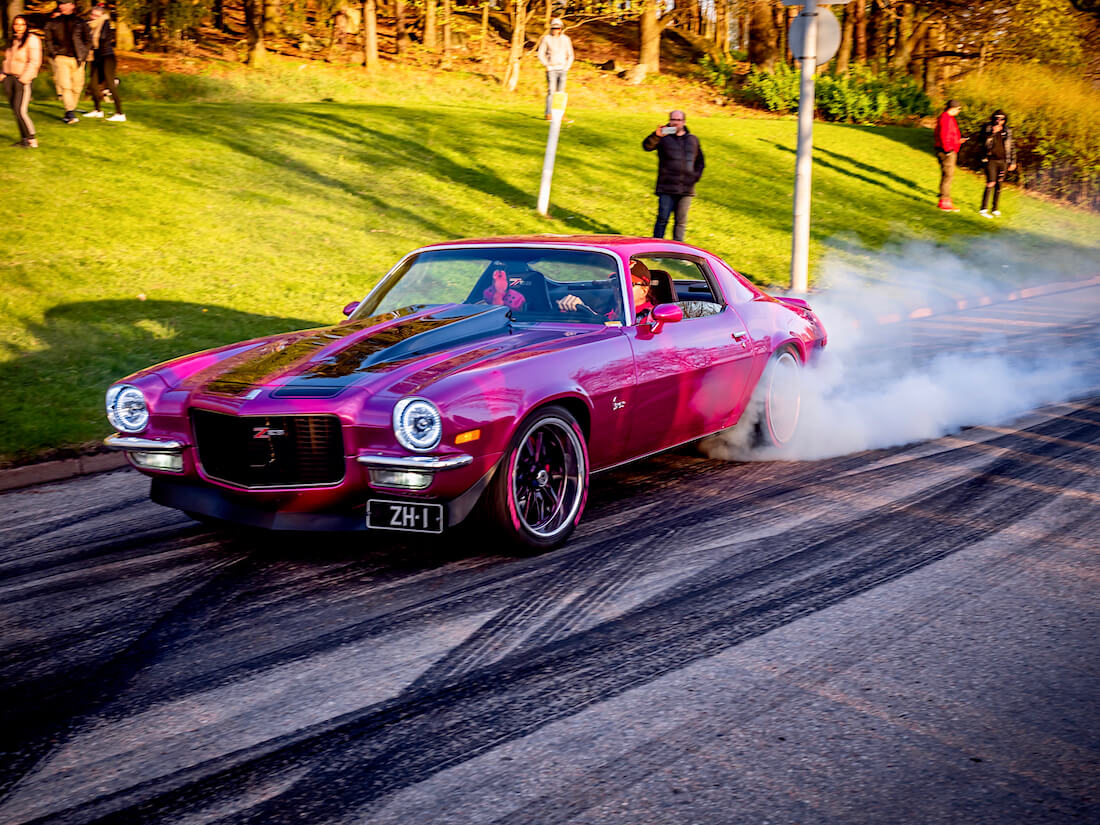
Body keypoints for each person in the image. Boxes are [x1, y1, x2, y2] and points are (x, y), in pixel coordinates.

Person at [642, 110, 704, 242]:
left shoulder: (693, 139)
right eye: (673, 119)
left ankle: (678, 252)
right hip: (667, 187)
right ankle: (656, 249)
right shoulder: (664, 137)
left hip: (686, 189)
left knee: (681, 222)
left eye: (678, 120)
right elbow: (647, 146)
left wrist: (695, 177)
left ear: (684, 122)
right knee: (662, 219)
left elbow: (700, 162)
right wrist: (656, 135)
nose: (675, 122)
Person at [556, 261, 655, 323]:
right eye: (616, 283)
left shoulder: (650, 317)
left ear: (644, 290)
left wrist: (591, 317)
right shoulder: (613, 309)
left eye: (628, 284)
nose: (618, 288)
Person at [44, 0, 91, 124]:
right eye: (61, 3)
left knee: (77, 87)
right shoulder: (53, 23)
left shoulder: (81, 22)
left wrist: (84, 53)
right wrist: (54, 53)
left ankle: (69, 112)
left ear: (72, 5)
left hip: (78, 59)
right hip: (61, 58)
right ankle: (70, 111)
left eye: (66, 3)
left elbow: (88, 40)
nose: (62, 6)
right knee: (65, 86)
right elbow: (48, 40)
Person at [2, 15, 42, 148]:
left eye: (22, 24)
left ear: (26, 26)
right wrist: (3, 73)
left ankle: (32, 139)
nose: (18, 27)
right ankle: (24, 139)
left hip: (22, 80)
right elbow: (7, 60)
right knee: (15, 110)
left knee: (20, 110)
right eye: (16, 24)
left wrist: (23, 79)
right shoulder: (13, 40)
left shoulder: (32, 40)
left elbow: (34, 62)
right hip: (9, 79)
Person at [84, 4, 124, 121]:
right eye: (92, 14)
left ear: (101, 15)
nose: (93, 17)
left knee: (111, 85)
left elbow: (102, 38)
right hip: (96, 57)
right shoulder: (89, 26)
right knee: (93, 84)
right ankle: (97, 110)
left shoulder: (105, 23)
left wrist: (89, 38)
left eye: (97, 15)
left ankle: (120, 113)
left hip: (107, 57)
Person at [978, 110, 1016, 219]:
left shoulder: (1007, 130)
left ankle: (995, 208)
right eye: (997, 119)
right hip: (990, 160)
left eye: (1002, 119)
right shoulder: (987, 128)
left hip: (1003, 161)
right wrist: (992, 133)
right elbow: (982, 142)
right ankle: (983, 208)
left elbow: (1012, 146)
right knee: (991, 182)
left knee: (999, 184)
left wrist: (1012, 161)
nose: (999, 122)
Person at [933, 99, 966, 212]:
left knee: (947, 175)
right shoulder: (946, 118)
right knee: (948, 176)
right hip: (947, 151)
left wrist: (957, 140)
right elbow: (944, 135)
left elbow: (949, 135)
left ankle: (945, 198)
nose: (959, 111)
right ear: (952, 108)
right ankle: (944, 201)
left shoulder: (948, 118)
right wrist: (948, 149)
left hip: (949, 149)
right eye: (958, 109)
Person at [536, 18, 573, 121]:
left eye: (558, 28)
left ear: (561, 28)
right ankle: (548, 114)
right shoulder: (546, 39)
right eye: (554, 28)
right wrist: (547, 66)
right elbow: (541, 53)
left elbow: (570, 55)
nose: (556, 30)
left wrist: (566, 67)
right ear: (551, 28)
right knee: (551, 92)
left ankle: (560, 115)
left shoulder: (566, 39)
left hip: (563, 69)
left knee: (560, 93)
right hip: (551, 69)